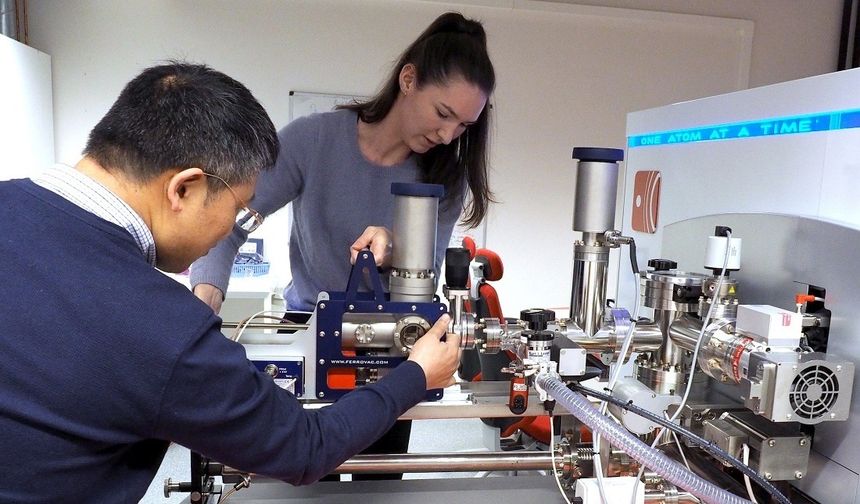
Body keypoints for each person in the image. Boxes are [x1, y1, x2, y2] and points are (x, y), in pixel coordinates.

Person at [0, 62, 461, 503]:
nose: (229, 229)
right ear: (184, 188)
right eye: (240, 210)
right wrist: (417, 374)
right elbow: (306, 448)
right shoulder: (161, 328)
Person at [189, 12, 495, 479]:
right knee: (311, 474)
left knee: (380, 482)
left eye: (463, 126)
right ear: (408, 79)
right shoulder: (312, 140)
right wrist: (205, 297)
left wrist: (398, 248)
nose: (448, 136)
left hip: (394, 351)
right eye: (443, 114)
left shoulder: (444, 176)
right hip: (309, 333)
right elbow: (227, 223)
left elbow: (427, 274)